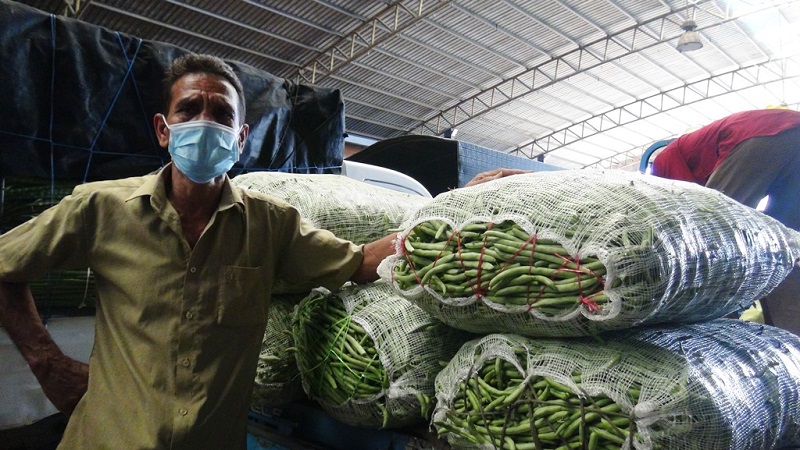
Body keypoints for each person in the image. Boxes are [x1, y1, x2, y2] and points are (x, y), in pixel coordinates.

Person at [0, 54, 520, 448]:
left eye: (221, 114)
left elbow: (360, 261)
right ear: (163, 129)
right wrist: (47, 362)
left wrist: (453, 207)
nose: (205, 123)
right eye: (189, 110)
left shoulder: (271, 225)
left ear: (240, 138)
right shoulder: (101, 208)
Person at [651, 108, 800, 334]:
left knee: (711, 237)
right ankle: (792, 333)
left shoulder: (663, 162)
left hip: (760, 136)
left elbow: (691, 212)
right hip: (793, 134)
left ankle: (719, 328)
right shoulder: (697, 147)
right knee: (784, 247)